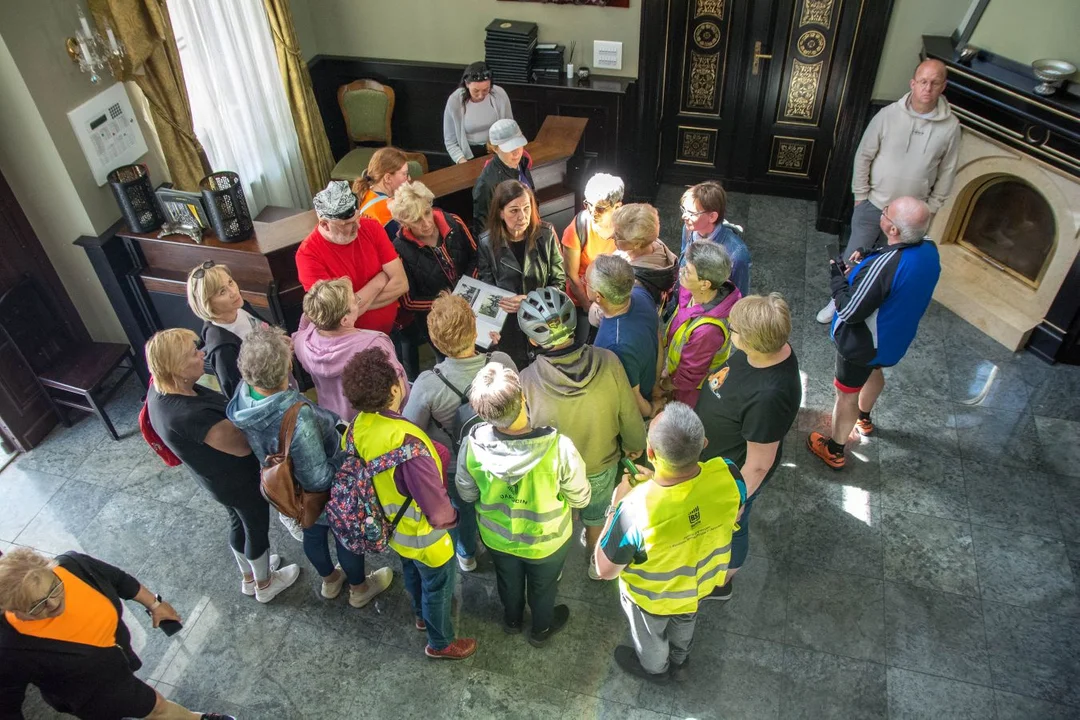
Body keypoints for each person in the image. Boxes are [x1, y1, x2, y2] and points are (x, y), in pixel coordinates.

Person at [227, 327, 393, 608]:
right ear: (286, 368)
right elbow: (318, 479)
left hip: (289, 490)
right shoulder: (297, 417)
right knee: (345, 536)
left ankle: (330, 581)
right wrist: (348, 463)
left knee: (313, 534)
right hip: (321, 492)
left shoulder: (243, 396)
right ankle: (359, 587)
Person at [144, 328, 299, 603]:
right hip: (238, 481)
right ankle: (265, 583)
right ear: (177, 369)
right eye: (193, 353)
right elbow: (241, 446)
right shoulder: (190, 416)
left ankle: (249, 577)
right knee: (255, 527)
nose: (201, 353)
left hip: (213, 480)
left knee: (237, 522)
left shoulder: (160, 391)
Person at [594, 403, 745, 683]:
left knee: (651, 636)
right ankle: (680, 659)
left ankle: (656, 669)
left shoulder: (634, 510)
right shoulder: (730, 473)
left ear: (651, 453)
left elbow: (604, 569)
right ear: (704, 444)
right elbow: (734, 513)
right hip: (698, 583)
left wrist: (615, 505)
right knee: (686, 619)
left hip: (651, 597)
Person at [341, 348, 476, 659]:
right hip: (426, 536)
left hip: (390, 529)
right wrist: (454, 516)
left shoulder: (355, 428)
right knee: (438, 587)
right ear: (393, 390)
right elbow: (439, 512)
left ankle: (419, 614)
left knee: (412, 571)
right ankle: (440, 643)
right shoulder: (408, 442)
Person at [0, 548, 235, 719]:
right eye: (36, 605)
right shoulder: (10, 649)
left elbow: (118, 579)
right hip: (93, 693)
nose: (53, 603)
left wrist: (154, 604)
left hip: (119, 659)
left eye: (55, 587)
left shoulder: (74, 566)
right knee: (156, 707)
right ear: (13, 609)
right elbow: (7, 705)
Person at [456, 362, 590, 646]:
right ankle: (541, 630)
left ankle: (512, 620)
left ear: (481, 412)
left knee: (507, 581)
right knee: (544, 587)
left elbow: (467, 494)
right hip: (547, 541)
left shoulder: (471, 446)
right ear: (523, 398)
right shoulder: (559, 448)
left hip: (497, 537)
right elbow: (581, 497)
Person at [517, 288, 647, 579]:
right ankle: (594, 560)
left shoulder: (526, 381)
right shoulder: (609, 361)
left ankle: (556, 566)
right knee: (596, 516)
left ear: (532, 339)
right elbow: (628, 411)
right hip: (600, 464)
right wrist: (636, 443)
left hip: (553, 473)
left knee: (557, 519)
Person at [816, 59, 959, 324]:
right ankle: (837, 303)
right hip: (874, 204)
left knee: (886, 265)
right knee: (853, 255)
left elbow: (948, 171)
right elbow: (864, 156)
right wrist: (861, 196)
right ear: (913, 84)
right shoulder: (888, 116)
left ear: (943, 86)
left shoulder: (950, 127)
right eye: (923, 81)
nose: (927, 88)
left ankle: (867, 306)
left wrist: (933, 207)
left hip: (910, 216)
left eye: (934, 82)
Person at [808, 196, 941, 469]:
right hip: (893, 337)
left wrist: (838, 276)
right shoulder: (929, 249)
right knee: (875, 372)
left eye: (886, 212)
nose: (883, 212)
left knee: (846, 394)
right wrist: (868, 259)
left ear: (893, 230)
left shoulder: (886, 265)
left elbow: (848, 310)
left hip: (863, 342)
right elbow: (895, 272)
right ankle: (864, 418)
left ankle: (835, 449)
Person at [695, 294, 801, 598]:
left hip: (731, 477)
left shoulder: (770, 396)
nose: (729, 331)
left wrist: (737, 501)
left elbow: (758, 464)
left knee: (734, 530)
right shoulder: (763, 352)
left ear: (755, 341)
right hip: (714, 457)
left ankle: (722, 583)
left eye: (734, 329)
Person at [402, 292, 517, 572]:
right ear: (475, 329)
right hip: (500, 455)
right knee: (502, 501)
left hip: (456, 466)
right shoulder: (500, 361)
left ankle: (466, 554)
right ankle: (505, 544)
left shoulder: (429, 383)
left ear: (435, 340)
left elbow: (410, 431)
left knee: (463, 511)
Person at [389, 180, 478, 379]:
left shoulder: (452, 221)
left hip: (472, 302)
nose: (426, 223)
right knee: (451, 367)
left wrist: (466, 289)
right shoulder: (400, 249)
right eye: (416, 220)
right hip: (437, 321)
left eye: (427, 213)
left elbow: (476, 257)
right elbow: (408, 300)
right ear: (405, 223)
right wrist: (448, 302)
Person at [296, 180, 408, 335]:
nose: (358, 226)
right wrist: (380, 280)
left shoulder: (371, 227)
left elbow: (401, 284)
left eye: (358, 218)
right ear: (324, 224)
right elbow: (337, 317)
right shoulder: (307, 255)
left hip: (391, 330)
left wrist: (354, 304)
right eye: (348, 223)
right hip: (353, 344)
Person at [477, 180, 566, 367]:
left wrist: (530, 300)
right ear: (501, 213)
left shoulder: (546, 234)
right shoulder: (486, 243)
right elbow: (488, 291)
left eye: (526, 208)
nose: (522, 216)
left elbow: (559, 283)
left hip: (544, 318)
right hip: (508, 326)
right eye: (514, 210)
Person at [292, 277, 406, 421]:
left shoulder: (303, 343)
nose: (358, 303)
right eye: (355, 302)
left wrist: (317, 309)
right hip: (374, 421)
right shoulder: (374, 344)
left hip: (333, 421)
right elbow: (398, 389)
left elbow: (301, 329)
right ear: (345, 320)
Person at [659, 241, 742, 410]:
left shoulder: (708, 330)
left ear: (705, 284)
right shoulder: (691, 290)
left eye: (688, 271)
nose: (681, 271)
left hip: (689, 391)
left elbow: (689, 377)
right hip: (675, 371)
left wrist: (664, 385)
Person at [588, 254, 659, 418]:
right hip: (648, 384)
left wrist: (652, 410)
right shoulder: (641, 295)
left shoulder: (615, 345)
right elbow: (658, 338)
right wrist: (655, 387)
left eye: (587, 283)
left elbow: (631, 397)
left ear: (598, 296)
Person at [186, 261, 269, 399]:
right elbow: (237, 394)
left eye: (230, 282)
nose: (233, 292)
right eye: (222, 292)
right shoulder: (222, 349)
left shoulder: (239, 306)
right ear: (208, 303)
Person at [562, 173, 624, 312]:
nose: (592, 212)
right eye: (588, 204)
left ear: (617, 206)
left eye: (600, 208)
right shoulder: (578, 228)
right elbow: (572, 277)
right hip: (582, 301)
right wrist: (589, 308)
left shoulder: (625, 227)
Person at [678, 181, 751, 298]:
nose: (684, 216)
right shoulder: (689, 229)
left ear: (712, 216)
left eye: (691, 213)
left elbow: (738, 296)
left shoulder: (736, 255)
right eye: (683, 210)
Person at [443, 61, 514, 165]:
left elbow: (510, 127)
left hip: (495, 149)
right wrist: (462, 161)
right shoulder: (455, 101)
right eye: (476, 91)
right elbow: (450, 141)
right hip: (468, 154)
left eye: (486, 90)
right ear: (467, 84)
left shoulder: (499, 95)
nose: (481, 95)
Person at [472, 119, 534, 232]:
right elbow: (484, 228)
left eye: (518, 145)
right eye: (509, 148)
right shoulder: (487, 183)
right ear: (495, 148)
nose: (516, 152)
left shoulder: (523, 162)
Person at [611, 203, 678, 307]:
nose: (611, 236)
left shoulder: (633, 283)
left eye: (618, 235)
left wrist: (594, 310)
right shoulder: (657, 245)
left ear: (636, 244)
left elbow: (612, 309)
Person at [351, 147, 413, 239]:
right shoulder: (390, 212)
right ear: (388, 178)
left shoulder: (364, 192)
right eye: (404, 174)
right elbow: (401, 245)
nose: (408, 178)